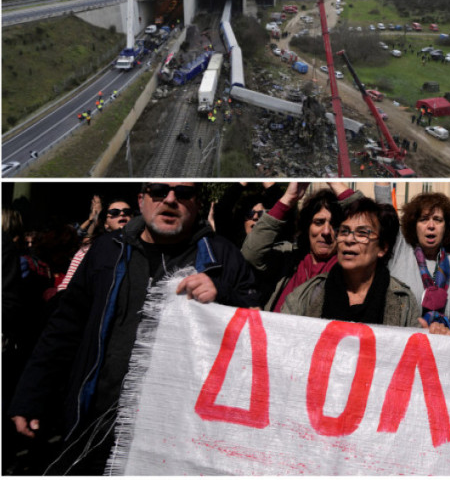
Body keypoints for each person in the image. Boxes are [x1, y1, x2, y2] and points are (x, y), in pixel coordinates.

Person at [8, 182, 261, 474]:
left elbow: (255, 325)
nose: (169, 199)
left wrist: (223, 293)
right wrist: (30, 395)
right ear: (141, 200)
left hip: (177, 439)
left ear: (197, 204)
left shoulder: (222, 256)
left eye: (183, 193)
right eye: (158, 190)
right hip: (96, 427)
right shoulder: (106, 249)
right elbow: (65, 328)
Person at [282, 196, 420, 327]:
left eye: (362, 234)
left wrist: (435, 336)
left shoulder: (403, 301)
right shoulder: (307, 295)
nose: (349, 240)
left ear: (382, 248)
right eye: (344, 231)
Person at [363, 183, 450, 335]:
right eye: (423, 219)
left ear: (446, 226)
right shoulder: (400, 252)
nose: (431, 225)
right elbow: (384, 204)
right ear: (413, 225)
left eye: (438, 220)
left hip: (447, 353)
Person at [241, 182, 347, 311]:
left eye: (334, 225)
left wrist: (336, 184)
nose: (326, 232)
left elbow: (370, 223)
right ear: (307, 226)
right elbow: (251, 255)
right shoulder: (289, 257)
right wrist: (287, 199)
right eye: (319, 223)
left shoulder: (348, 269)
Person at [58, 197, 134, 292]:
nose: (122, 214)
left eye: (127, 212)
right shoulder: (89, 250)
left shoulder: (140, 248)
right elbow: (66, 287)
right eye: (115, 212)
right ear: (106, 224)